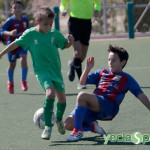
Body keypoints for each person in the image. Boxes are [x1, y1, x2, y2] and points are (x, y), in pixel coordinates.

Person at [0, 6, 74, 140]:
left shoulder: (54, 33)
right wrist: (1, 53)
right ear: (37, 21)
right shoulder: (30, 34)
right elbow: (16, 44)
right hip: (42, 71)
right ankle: (47, 127)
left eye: (50, 24)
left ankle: (58, 120)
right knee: (50, 93)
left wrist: (70, 42)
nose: (48, 27)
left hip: (55, 71)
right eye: (45, 24)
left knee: (62, 99)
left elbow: (65, 45)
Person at [64, 45, 150, 142]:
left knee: (82, 96)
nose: (110, 63)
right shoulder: (102, 72)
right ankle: (91, 126)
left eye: (114, 60)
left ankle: (78, 130)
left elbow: (141, 96)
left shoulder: (127, 78)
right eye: (109, 60)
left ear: (123, 62)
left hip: (108, 107)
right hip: (94, 104)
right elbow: (82, 83)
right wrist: (87, 68)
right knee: (68, 124)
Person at [60, 0, 101, 89]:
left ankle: (72, 65)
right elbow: (63, 3)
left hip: (86, 23)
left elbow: (97, 3)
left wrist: (97, 10)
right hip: (74, 22)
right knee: (77, 52)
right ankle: (81, 82)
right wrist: (63, 10)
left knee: (82, 56)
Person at [0, 0, 30, 94]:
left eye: (19, 7)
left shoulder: (25, 19)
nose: (17, 9)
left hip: (22, 45)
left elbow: (28, 29)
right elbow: (1, 31)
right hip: (12, 46)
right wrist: (10, 33)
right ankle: (10, 83)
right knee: (12, 65)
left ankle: (23, 81)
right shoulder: (10, 20)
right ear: (11, 10)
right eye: (15, 8)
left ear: (22, 10)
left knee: (23, 60)